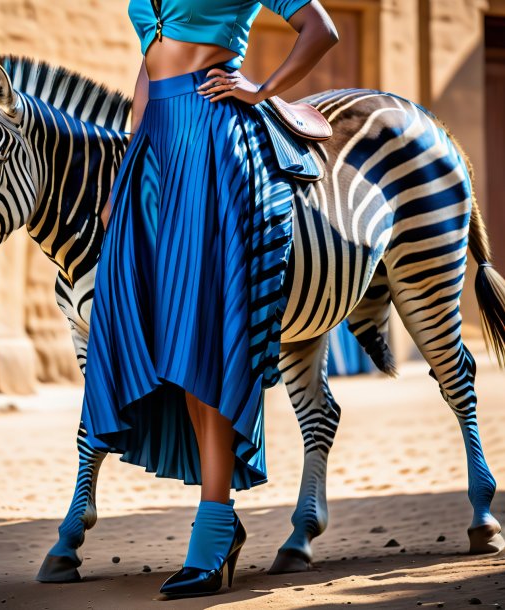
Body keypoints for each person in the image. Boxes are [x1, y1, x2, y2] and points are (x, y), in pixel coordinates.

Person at [82, 0, 338, 598]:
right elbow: (146, 70)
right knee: (155, 325)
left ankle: (215, 530)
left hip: (213, 139)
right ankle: (219, 525)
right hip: (155, 150)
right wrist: (124, 172)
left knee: (202, 326)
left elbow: (320, 29)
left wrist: (262, 91)